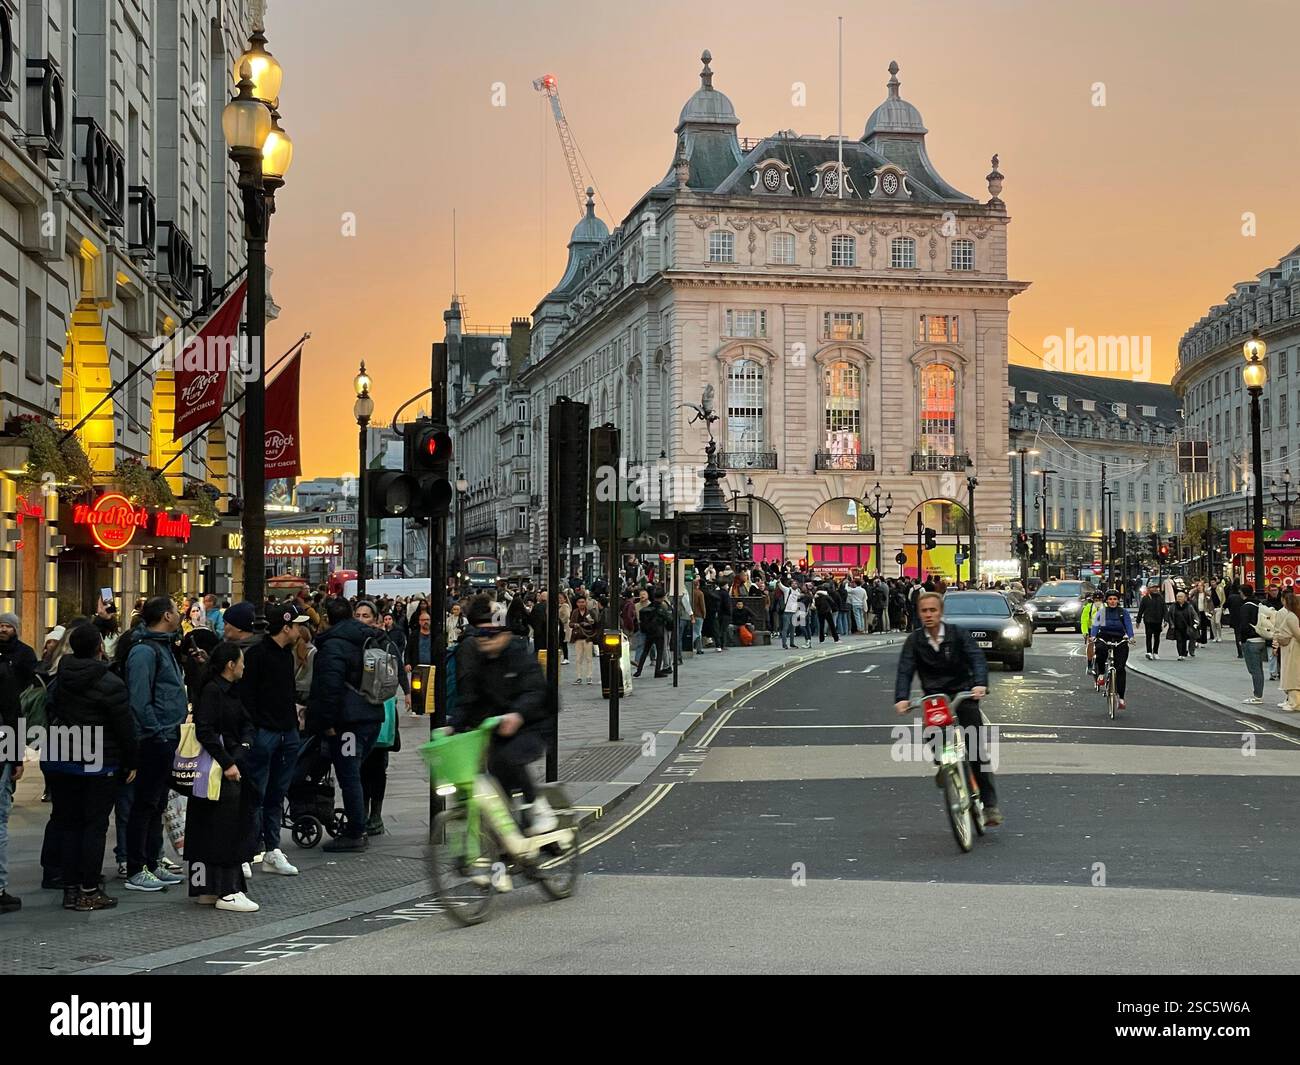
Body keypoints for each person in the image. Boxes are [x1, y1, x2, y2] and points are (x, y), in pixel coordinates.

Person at [44, 623, 137, 911]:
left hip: (63, 758)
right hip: (99, 761)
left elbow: (50, 711)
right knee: (94, 827)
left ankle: (71, 889)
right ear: (99, 647)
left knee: (69, 824)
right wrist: (131, 760)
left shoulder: (60, 677)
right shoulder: (110, 683)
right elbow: (124, 727)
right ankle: (89, 889)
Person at [453, 596, 555, 857]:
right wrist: (452, 726)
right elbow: (469, 699)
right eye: (481, 636)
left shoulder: (520, 654)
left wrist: (517, 714)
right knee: (496, 775)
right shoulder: (480, 660)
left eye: (491, 636)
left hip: (534, 724)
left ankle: (538, 808)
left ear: (505, 634)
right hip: (500, 727)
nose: (485, 641)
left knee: (509, 758)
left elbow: (535, 690)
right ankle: (512, 842)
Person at [893, 592, 1001, 826]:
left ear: (941, 612)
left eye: (933, 610)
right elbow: (905, 670)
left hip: (964, 693)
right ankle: (946, 766)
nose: (929, 615)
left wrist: (980, 683)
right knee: (932, 735)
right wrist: (902, 698)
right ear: (919, 613)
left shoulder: (958, 634)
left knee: (975, 749)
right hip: (935, 697)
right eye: (924, 611)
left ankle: (990, 805)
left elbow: (977, 659)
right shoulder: (915, 641)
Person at [186, 642, 260, 912]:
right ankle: (228, 890)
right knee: (226, 826)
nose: (244, 666)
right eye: (241, 661)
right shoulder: (213, 691)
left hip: (228, 765)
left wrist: (244, 746)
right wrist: (228, 761)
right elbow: (204, 730)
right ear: (231, 665)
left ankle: (208, 888)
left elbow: (246, 723)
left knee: (215, 825)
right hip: (218, 769)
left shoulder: (228, 690)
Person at [307, 598, 385, 851]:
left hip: (349, 721)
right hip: (372, 713)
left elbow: (329, 688)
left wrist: (326, 723)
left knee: (349, 776)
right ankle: (358, 823)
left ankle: (355, 832)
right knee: (355, 773)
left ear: (327, 618)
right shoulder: (367, 636)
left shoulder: (333, 646)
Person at [122, 596, 188, 893]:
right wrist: (156, 730)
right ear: (166, 616)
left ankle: (152, 860)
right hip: (154, 738)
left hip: (167, 733)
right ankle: (137, 867)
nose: (179, 614)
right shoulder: (144, 652)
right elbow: (138, 699)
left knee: (158, 802)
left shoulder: (164, 646)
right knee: (145, 803)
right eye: (176, 610)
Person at [238, 602, 309, 874]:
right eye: (297, 625)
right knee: (256, 793)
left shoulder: (286, 655)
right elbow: (248, 696)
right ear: (286, 627)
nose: (301, 630)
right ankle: (247, 851)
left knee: (277, 793)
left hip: (286, 731)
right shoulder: (258, 655)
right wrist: (255, 729)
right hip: (266, 732)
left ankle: (272, 849)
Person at [355, 600, 400, 836]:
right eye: (358, 615)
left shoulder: (384, 642)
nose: (362, 619)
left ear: (375, 619)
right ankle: (362, 812)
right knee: (361, 767)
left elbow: (397, 673)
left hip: (381, 711)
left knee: (378, 768)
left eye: (366, 615)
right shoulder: (354, 642)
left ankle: (376, 815)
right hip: (360, 712)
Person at [1089, 589, 1135, 710]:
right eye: (1110, 599)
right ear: (1107, 600)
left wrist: (1131, 637)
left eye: (1115, 599)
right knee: (1100, 649)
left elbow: (1128, 625)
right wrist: (1093, 636)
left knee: (1120, 668)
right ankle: (1101, 674)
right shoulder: (1102, 612)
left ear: (1118, 600)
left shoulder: (1122, 612)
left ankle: (1121, 698)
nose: (1112, 601)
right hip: (1105, 636)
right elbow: (1095, 626)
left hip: (1119, 638)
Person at [1237, 584, 1269, 704]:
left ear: (1242, 593)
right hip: (1261, 639)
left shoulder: (1246, 607)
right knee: (1258, 669)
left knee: (1254, 670)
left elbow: (1244, 625)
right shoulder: (1259, 604)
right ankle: (1258, 694)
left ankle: (1257, 696)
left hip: (1251, 641)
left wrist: (1243, 640)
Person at [633, 588, 671, 679]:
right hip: (659, 632)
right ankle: (657, 671)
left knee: (645, 651)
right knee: (660, 651)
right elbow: (669, 619)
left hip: (649, 632)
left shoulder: (648, 607)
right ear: (662, 598)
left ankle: (639, 670)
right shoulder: (661, 608)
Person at [1273, 587, 1300, 712]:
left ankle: (1294, 703)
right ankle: (1292, 701)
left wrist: (1276, 641)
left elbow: (1297, 633)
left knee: (1291, 675)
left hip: (1292, 648)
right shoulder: (1292, 615)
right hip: (1290, 647)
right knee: (1291, 674)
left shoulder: (1290, 616)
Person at [568, 596, 599, 685]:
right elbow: (570, 624)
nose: (581, 604)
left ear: (586, 603)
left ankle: (589, 676)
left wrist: (590, 623)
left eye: (583, 602)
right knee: (578, 658)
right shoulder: (575, 612)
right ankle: (579, 677)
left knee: (589, 658)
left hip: (588, 637)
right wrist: (575, 625)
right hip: (578, 637)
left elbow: (595, 624)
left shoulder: (590, 612)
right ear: (577, 603)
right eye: (579, 602)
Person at [1138, 583, 1165, 660]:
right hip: (1148, 620)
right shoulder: (1145, 598)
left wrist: (1165, 619)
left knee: (1157, 637)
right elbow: (1141, 610)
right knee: (1148, 636)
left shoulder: (1160, 598)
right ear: (1149, 589)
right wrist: (1138, 620)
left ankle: (1155, 652)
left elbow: (1164, 609)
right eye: (1152, 588)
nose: (1155, 589)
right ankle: (1149, 651)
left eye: (1155, 588)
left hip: (1158, 620)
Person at [1168, 589, 1198, 661]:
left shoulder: (1189, 606)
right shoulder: (1173, 606)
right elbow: (1169, 616)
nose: (1179, 598)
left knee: (1184, 640)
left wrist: (1196, 623)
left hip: (1186, 626)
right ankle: (1180, 654)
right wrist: (1171, 624)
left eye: (1181, 597)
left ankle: (1183, 653)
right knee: (1179, 640)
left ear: (1185, 598)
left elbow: (1194, 615)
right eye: (1178, 597)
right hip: (1177, 626)